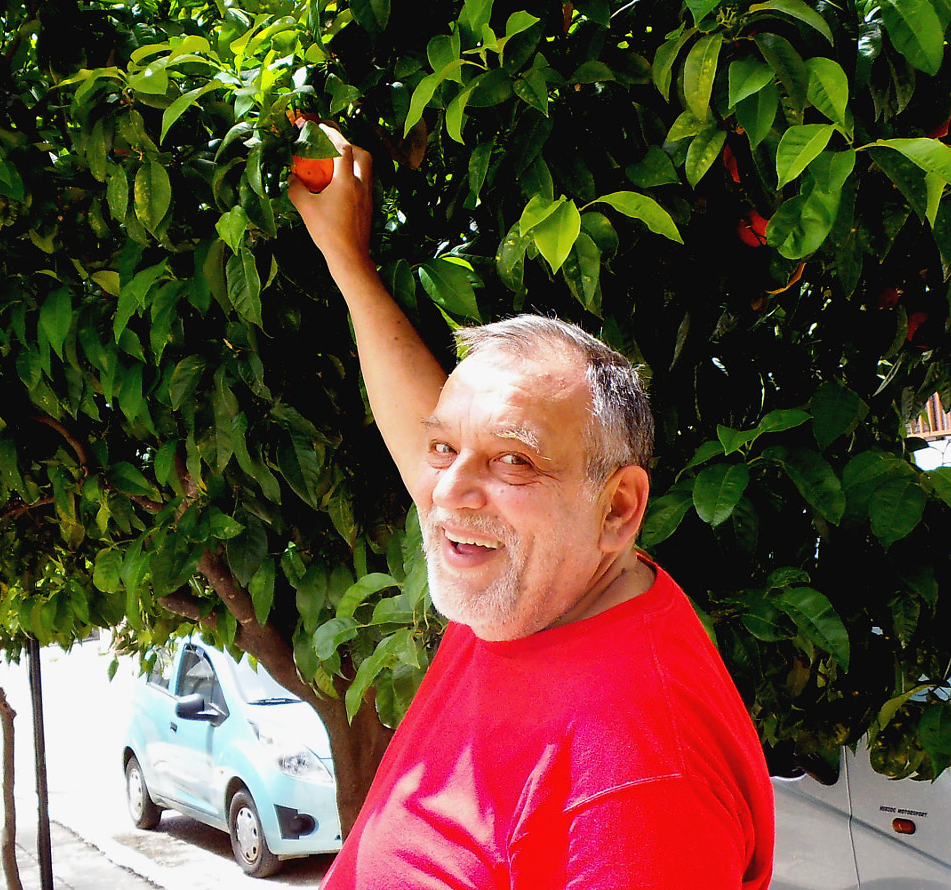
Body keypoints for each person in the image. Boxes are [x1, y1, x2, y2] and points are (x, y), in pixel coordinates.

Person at [288, 129, 776, 889]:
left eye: (514, 459)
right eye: (446, 450)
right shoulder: (541, 576)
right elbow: (437, 443)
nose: (447, 492)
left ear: (619, 507)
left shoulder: (636, 784)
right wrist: (347, 260)